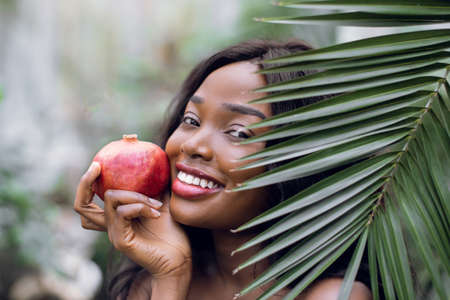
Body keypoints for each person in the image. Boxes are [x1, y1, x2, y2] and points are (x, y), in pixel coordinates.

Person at [74, 40, 373, 300]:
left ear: (300, 165)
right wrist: (170, 277)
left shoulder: (333, 296)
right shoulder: (151, 282)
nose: (193, 145)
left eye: (239, 133)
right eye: (191, 120)